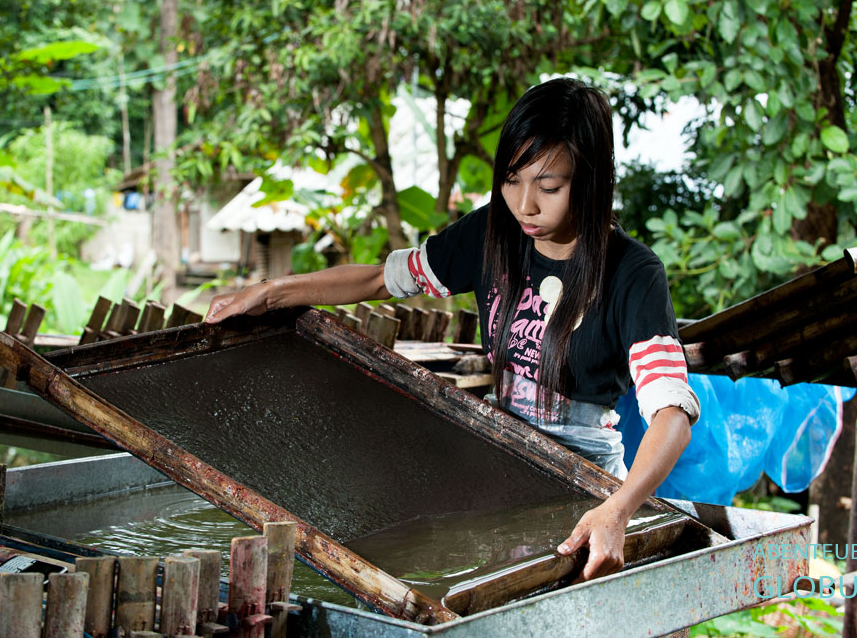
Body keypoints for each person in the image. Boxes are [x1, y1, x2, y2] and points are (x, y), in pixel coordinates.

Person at [206, 77, 699, 581]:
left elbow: (672, 413)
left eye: (548, 187)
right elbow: (380, 278)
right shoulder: (492, 235)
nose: (524, 204)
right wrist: (271, 292)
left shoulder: (632, 273)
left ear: (591, 180)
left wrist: (617, 510)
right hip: (501, 463)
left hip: (583, 488)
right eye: (511, 180)